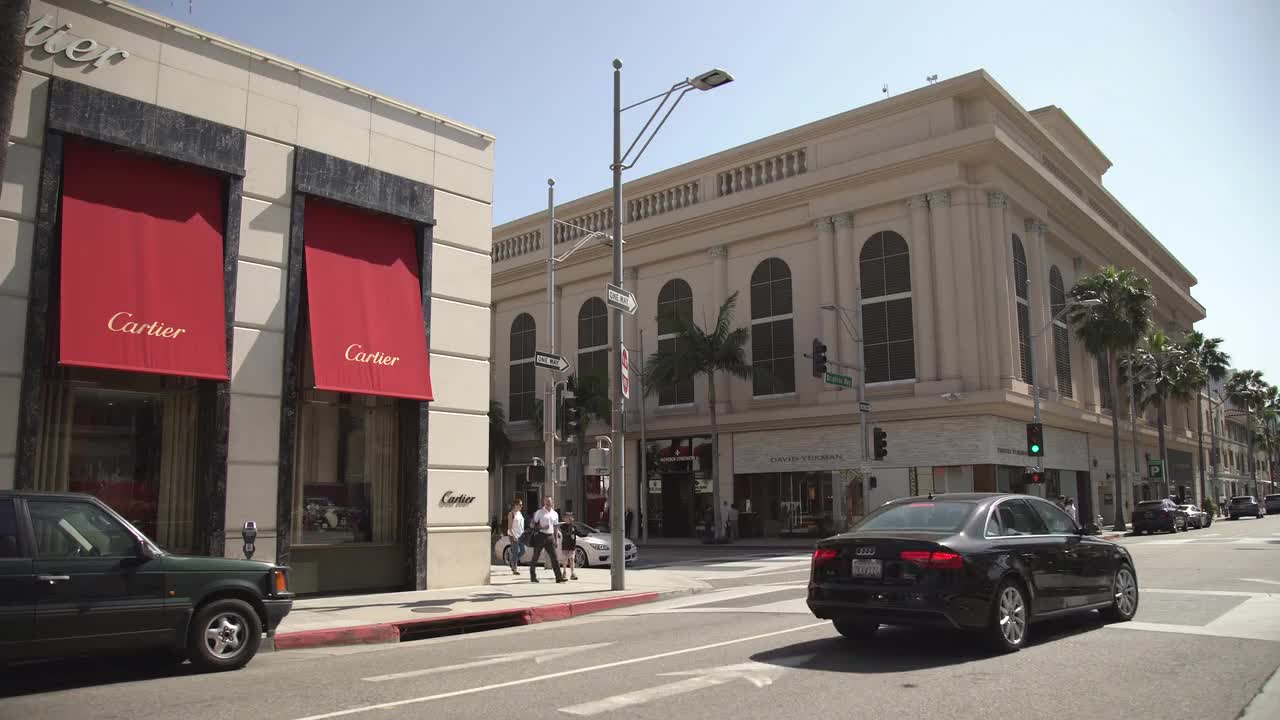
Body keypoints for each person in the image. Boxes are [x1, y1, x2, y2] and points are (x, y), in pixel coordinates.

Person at [529, 497, 565, 583]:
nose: (548, 503)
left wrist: (556, 540)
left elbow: (556, 527)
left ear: (552, 502)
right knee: (535, 557)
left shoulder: (555, 514)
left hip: (550, 537)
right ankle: (533, 576)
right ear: (544, 502)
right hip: (540, 536)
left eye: (549, 501)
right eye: (546, 501)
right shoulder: (539, 512)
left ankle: (558, 578)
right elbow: (532, 525)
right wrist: (541, 527)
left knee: (554, 558)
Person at [506, 498, 526, 575]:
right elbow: (509, 527)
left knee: (523, 550)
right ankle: (515, 569)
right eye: (520, 505)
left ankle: (512, 562)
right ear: (515, 505)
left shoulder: (519, 513)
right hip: (513, 535)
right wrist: (514, 536)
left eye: (521, 505)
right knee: (516, 551)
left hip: (520, 535)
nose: (521, 506)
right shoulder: (511, 514)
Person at [560, 512, 579, 581]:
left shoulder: (574, 526)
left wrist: (587, 534)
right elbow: (564, 534)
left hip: (572, 545)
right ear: (564, 518)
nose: (569, 518)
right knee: (565, 559)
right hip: (565, 545)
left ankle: (572, 573)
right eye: (567, 517)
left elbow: (578, 533)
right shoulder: (562, 526)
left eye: (570, 517)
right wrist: (570, 535)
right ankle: (564, 572)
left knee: (572, 559)